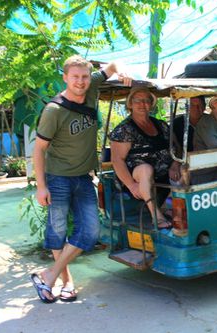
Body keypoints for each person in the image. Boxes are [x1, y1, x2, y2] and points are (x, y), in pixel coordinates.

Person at [31, 55, 132, 303]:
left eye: (84, 76)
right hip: (58, 179)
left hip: (84, 178)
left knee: (90, 232)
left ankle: (49, 274)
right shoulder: (54, 111)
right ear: (65, 78)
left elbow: (113, 64)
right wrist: (41, 186)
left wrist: (123, 72)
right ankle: (67, 282)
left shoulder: (92, 86)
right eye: (75, 77)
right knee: (58, 232)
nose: (80, 81)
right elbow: (39, 149)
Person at [109, 87, 181, 227]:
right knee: (145, 169)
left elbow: (177, 147)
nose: (143, 104)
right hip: (135, 175)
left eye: (147, 100)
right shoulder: (124, 129)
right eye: (138, 101)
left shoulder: (160, 124)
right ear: (130, 104)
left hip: (164, 172)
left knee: (185, 168)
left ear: (151, 104)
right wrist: (131, 185)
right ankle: (157, 217)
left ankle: (168, 208)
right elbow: (117, 160)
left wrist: (175, 164)